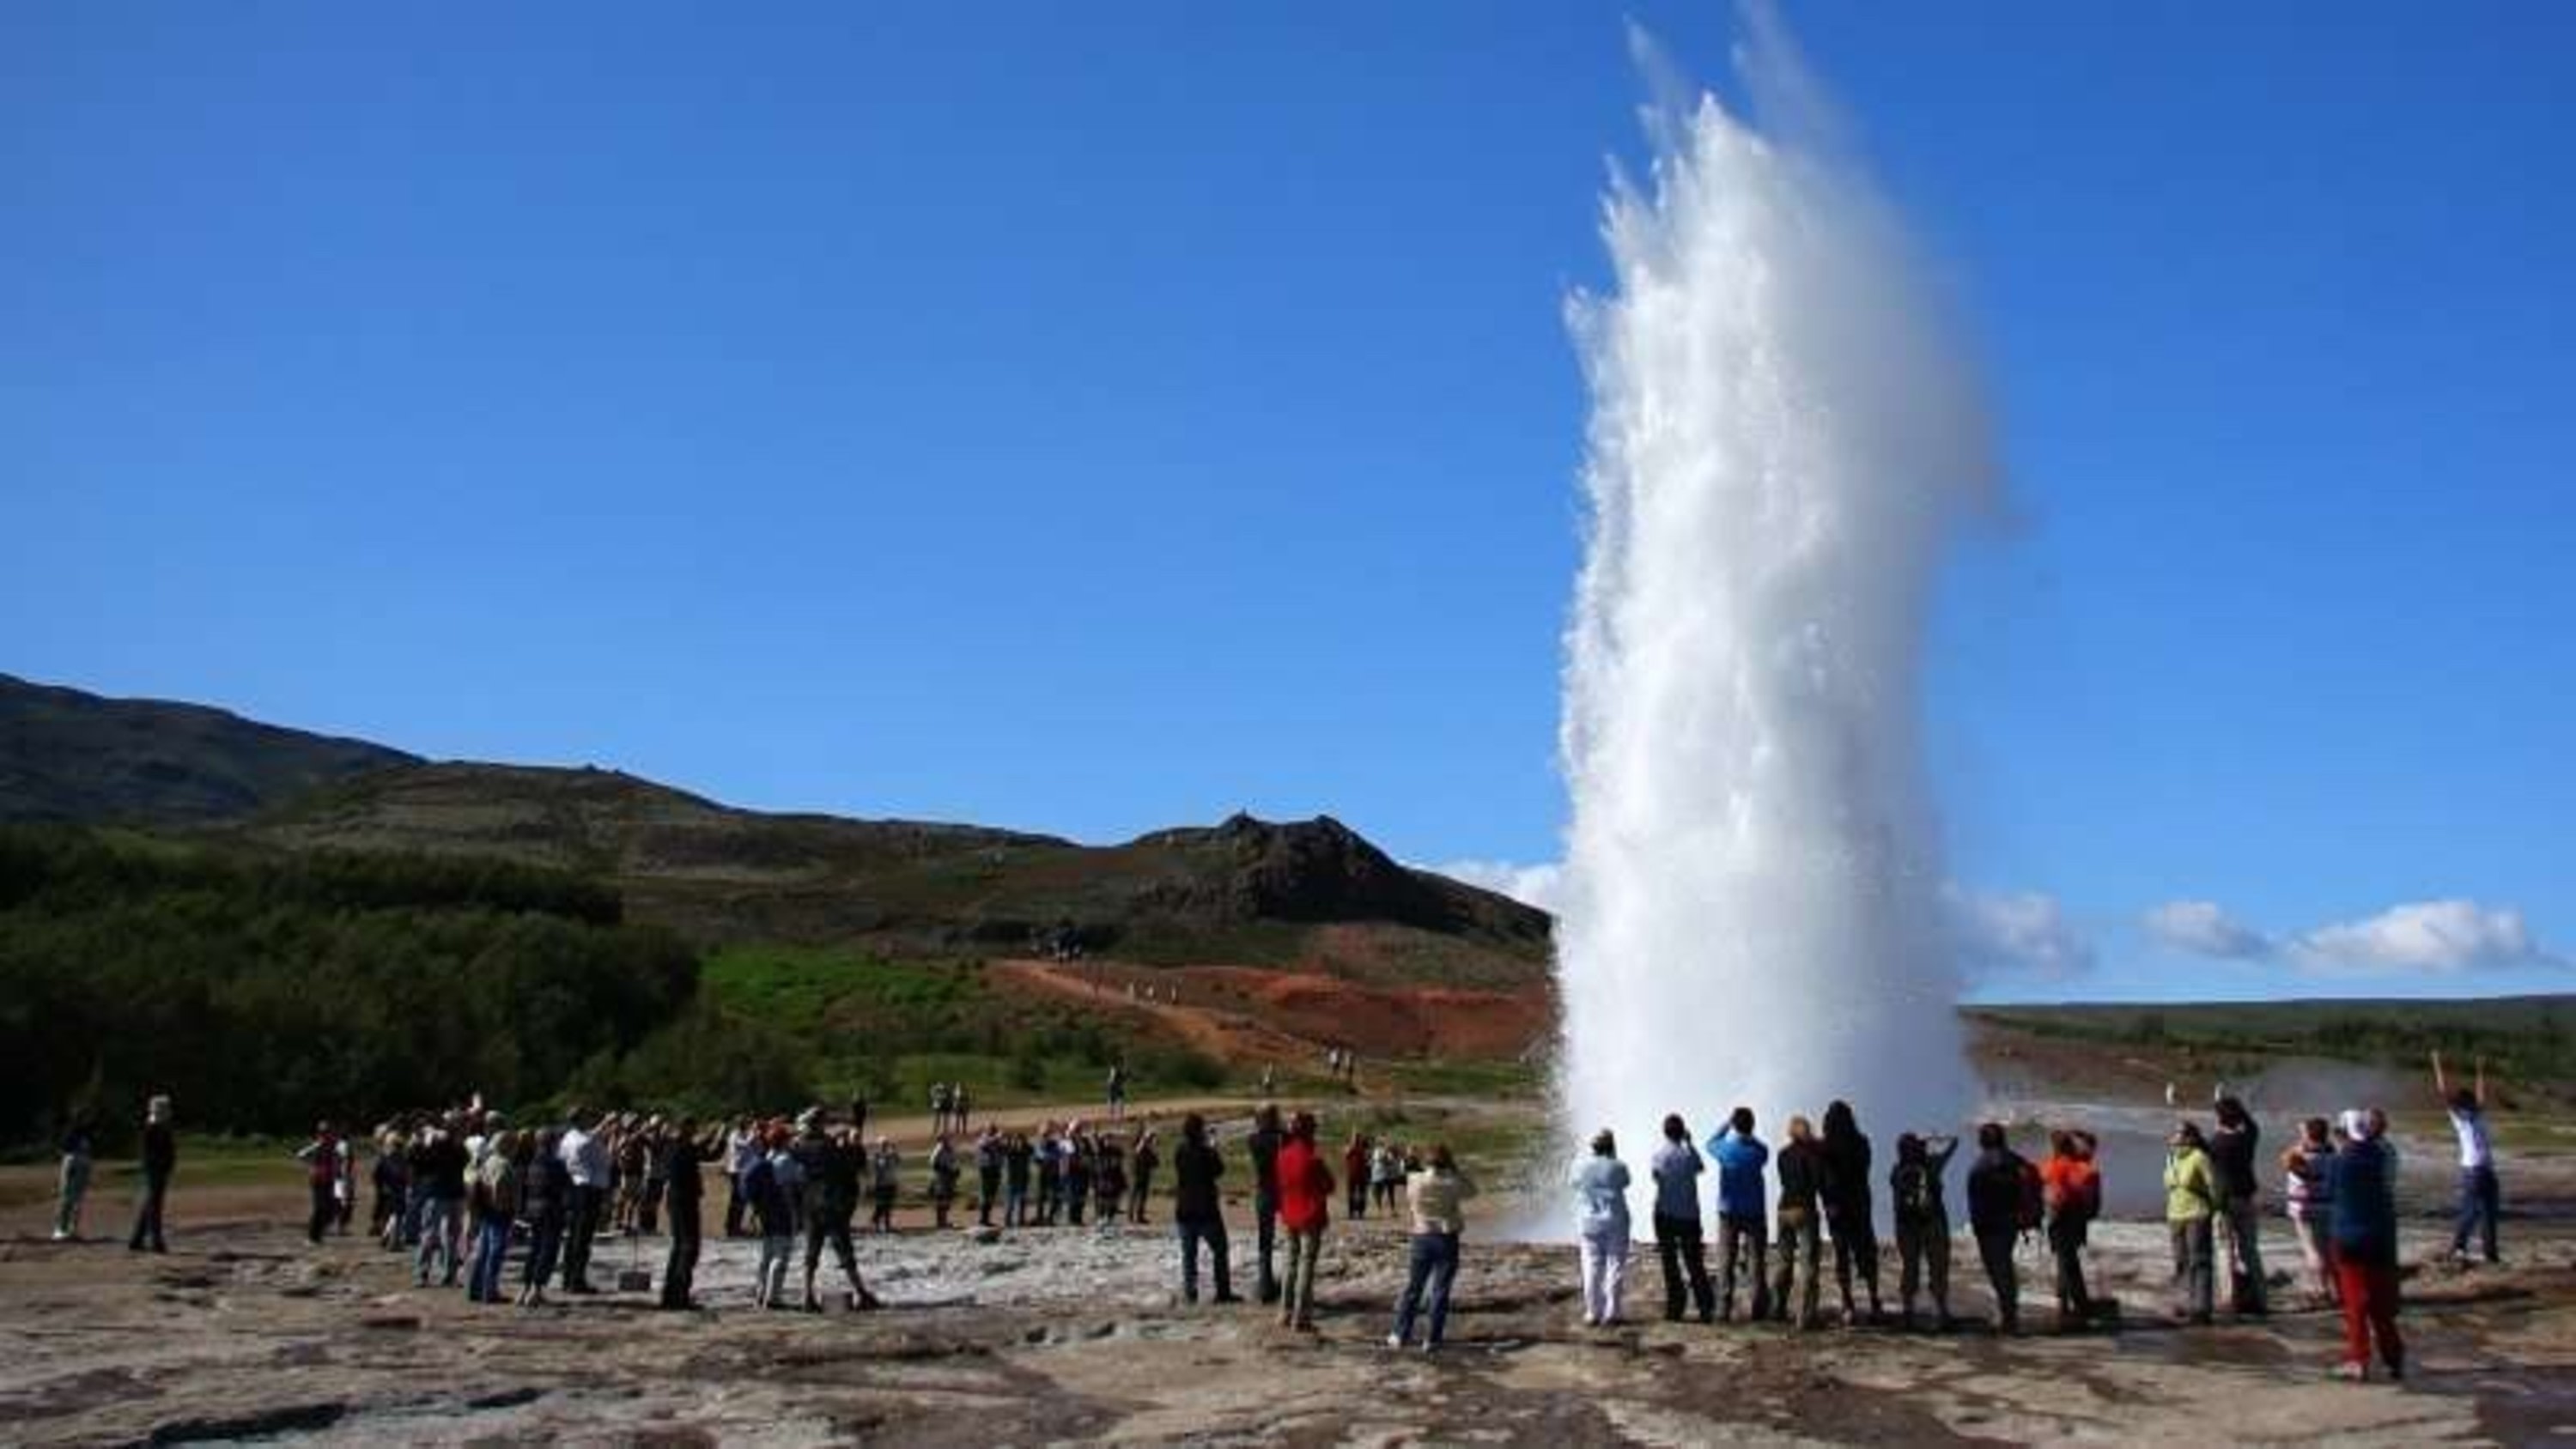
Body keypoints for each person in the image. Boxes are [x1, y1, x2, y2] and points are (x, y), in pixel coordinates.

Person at [2326, 1109, 2405, 1381]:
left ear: (2345, 1133)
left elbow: (2327, 1189)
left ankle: (2358, 1360)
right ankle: (2394, 1358)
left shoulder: (2340, 1162)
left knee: (2356, 1302)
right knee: (2381, 1303)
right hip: (2381, 1236)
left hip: (2350, 1238)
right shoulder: (2382, 1155)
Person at [1389, 1143, 1476, 1351]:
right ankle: (1432, 1339)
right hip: (1446, 1238)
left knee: (1413, 1288)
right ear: (1447, 1161)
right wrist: (1455, 1169)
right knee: (1440, 1291)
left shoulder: (1415, 1180)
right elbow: (1472, 1191)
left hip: (1421, 1236)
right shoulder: (1452, 1182)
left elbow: (1406, 1176)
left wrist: (1411, 1160)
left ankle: (1400, 1334)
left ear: (1426, 1161)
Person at [1964, 1122, 2035, 1335]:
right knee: (2004, 1265)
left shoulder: (1981, 1165)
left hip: (1989, 1224)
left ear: (1983, 1141)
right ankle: (2009, 1313)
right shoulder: (2016, 1160)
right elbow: (2031, 1179)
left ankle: (2009, 1318)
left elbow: (1976, 1200)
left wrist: (1976, 1228)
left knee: (1998, 1269)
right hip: (2011, 1222)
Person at [2433, 1050, 2501, 1266]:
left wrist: (2480, 1071)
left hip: (2486, 1170)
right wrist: (2437, 1063)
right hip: (2473, 1171)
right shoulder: (2460, 1118)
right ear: (2464, 1104)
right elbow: (2443, 1091)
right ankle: (2458, 1247)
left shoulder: (2478, 1114)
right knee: (2471, 1210)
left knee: (2489, 1213)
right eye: (2470, 1102)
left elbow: (2481, 1096)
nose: (2475, 1104)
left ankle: (2491, 1255)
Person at [1819, 1100, 1880, 1325]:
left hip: (1837, 1208)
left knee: (1842, 1254)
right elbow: (1864, 1170)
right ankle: (1874, 1299)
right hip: (1860, 1205)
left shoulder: (1824, 1147)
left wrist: (1828, 1202)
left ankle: (1848, 1303)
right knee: (1866, 1252)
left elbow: (1823, 1180)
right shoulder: (1862, 1143)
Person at [1649, 1113, 1715, 1324]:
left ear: (1664, 1132)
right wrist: (1690, 1143)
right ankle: (1705, 1307)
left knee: (1670, 1262)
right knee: (1694, 1261)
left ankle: (1675, 1307)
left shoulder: (1659, 1155)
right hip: (1689, 1215)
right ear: (1682, 1132)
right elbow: (1701, 1168)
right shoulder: (1689, 1155)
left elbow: (1656, 1178)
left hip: (1665, 1213)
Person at [1890, 1131, 1958, 1331]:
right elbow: (1955, 1143)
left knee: (1909, 1267)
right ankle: (1942, 1312)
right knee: (1938, 1267)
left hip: (1906, 1225)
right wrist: (1933, 1137)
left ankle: (1908, 1312)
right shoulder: (1932, 1164)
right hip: (1933, 1221)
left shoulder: (1896, 1170)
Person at [1707, 1107, 1771, 1322]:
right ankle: (1758, 1308)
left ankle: (1723, 1309)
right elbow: (1763, 1148)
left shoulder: (1725, 1150)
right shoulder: (1758, 1152)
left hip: (1729, 1211)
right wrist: (1749, 1135)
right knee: (1756, 1262)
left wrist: (1727, 1124)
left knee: (1726, 1261)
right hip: (1754, 1211)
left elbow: (1710, 1142)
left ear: (1735, 1126)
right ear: (1752, 1127)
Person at [1275, 1111, 1335, 1331]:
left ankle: (1284, 1311)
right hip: (1310, 1215)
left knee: (1290, 1261)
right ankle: (1301, 1316)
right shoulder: (1313, 1159)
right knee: (1306, 1264)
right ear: (1310, 1132)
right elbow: (1330, 1185)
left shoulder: (1282, 1155)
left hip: (1289, 1213)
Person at [2208, 1095, 2268, 1315]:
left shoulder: (2216, 1143)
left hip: (2224, 1203)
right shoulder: (2247, 1138)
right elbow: (2253, 1126)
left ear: (2219, 1119)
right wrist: (2240, 1110)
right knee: (2250, 1250)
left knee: (2225, 1250)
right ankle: (2261, 1298)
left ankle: (2229, 1298)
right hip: (2246, 1198)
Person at [1170, 1113, 1238, 1305]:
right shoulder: (1206, 1151)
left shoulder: (1179, 1151)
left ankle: (1190, 1293)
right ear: (1200, 1131)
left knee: (1189, 1254)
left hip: (1184, 1209)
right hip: (1206, 1209)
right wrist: (1213, 1147)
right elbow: (1219, 1170)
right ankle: (1223, 1292)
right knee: (1220, 1249)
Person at [1571, 1128, 1632, 1328]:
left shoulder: (1579, 1166)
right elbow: (1625, 1183)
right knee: (1615, 1265)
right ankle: (1612, 1312)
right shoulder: (1618, 1166)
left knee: (1591, 1266)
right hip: (1615, 1219)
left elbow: (1573, 1184)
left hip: (1588, 1221)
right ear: (1611, 1146)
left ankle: (1592, 1312)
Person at [2039, 1129, 2103, 1326]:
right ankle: (2070, 1303)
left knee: (2066, 1262)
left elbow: (2051, 1194)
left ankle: (2072, 1304)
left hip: (2059, 1218)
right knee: (2067, 1260)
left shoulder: (2049, 1166)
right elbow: (2090, 1200)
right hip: (2075, 1217)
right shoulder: (2083, 1168)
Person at [1772, 1115, 1827, 1331]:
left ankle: (1777, 1308)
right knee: (1808, 1264)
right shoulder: (1813, 1155)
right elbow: (1817, 1181)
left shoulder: (1782, 1154)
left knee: (1784, 1262)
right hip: (1805, 1209)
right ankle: (1805, 1316)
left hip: (1784, 1208)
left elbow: (1785, 1180)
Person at [2164, 1121, 2220, 1325]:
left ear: (2191, 1137)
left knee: (2199, 1261)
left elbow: (2213, 1186)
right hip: (2174, 1215)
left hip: (2198, 1214)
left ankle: (2201, 1308)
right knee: (2181, 1261)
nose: (2174, 1136)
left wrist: (2215, 1212)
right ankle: (2184, 1302)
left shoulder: (2199, 1157)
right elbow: (2170, 1187)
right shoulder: (2171, 1158)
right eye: (2174, 1132)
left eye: (2178, 1133)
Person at [2283, 1116, 2339, 1307]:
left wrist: (2302, 1140)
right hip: (2328, 1206)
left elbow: (2286, 1159)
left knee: (2312, 1250)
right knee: (2326, 1249)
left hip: (2306, 1209)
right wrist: (2308, 1137)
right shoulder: (2333, 1156)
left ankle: (2321, 1289)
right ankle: (2334, 1288)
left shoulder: (2300, 1158)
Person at [518, 1129, 571, 1307]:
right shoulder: (556, 1164)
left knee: (534, 1249)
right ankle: (536, 1290)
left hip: (533, 1208)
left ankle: (524, 1289)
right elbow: (565, 1188)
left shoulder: (532, 1161)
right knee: (547, 1251)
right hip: (551, 1209)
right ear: (552, 1144)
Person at [414, 1119, 470, 1288]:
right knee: (442, 1235)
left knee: (436, 1234)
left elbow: (421, 1163)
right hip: (446, 1192)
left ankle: (428, 1274)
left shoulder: (439, 1145)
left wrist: (427, 1142)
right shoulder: (454, 1147)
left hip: (442, 1192)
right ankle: (442, 1274)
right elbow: (422, 1162)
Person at [465, 1131, 519, 1304]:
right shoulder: (504, 1164)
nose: (516, 1148)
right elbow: (499, 1186)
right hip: (499, 1212)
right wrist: (506, 1209)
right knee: (495, 1252)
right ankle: (489, 1292)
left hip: (486, 1211)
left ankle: (474, 1289)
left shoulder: (488, 1161)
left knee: (483, 1251)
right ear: (507, 1145)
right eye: (513, 1144)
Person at [749, 1127, 799, 1310]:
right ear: (784, 1141)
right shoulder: (785, 1160)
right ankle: (773, 1298)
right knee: (781, 1255)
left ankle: (760, 1294)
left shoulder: (766, 1157)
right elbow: (790, 1186)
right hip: (781, 1210)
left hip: (765, 1211)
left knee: (767, 1254)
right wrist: (793, 1212)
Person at [559, 1111, 609, 1294]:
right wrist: (604, 1123)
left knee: (575, 1237)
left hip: (578, 1187)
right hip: (586, 1188)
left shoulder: (569, 1138)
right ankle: (575, 1280)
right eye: (587, 1117)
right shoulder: (581, 1140)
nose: (590, 1120)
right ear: (580, 1120)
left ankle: (569, 1278)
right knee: (581, 1238)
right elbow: (590, 1149)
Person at [660, 1119, 705, 1310]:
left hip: (675, 1199)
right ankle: (680, 1294)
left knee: (678, 1246)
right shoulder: (685, 1148)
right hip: (685, 1200)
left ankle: (670, 1294)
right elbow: (706, 1154)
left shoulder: (670, 1147)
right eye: (692, 1128)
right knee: (689, 1247)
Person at [128, 1094, 176, 1254]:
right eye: (166, 1108)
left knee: (150, 1204)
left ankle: (137, 1239)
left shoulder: (162, 1126)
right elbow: (148, 1153)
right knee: (155, 1206)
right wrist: (159, 1167)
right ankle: (156, 1241)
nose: (169, 1111)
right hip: (154, 1170)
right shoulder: (152, 1127)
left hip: (159, 1170)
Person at [1248, 1105, 1285, 1304]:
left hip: (1263, 1191)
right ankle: (1287, 1285)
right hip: (1283, 1190)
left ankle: (1265, 1286)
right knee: (1292, 1238)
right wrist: (1281, 1126)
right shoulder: (1281, 1138)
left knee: (1265, 1241)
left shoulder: (1253, 1139)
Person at [295, 1121, 343, 1247]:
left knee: (331, 1208)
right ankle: (312, 1237)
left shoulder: (334, 1145)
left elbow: (338, 1160)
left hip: (331, 1180)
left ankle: (318, 1235)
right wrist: (311, 1167)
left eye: (327, 1132)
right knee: (319, 1208)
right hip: (318, 1181)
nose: (325, 1135)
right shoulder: (318, 1145)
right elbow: (300, 1155)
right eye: (323, 1133)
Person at [53, 1113, 95, 1241]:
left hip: (81, 1161)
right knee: (68, 1197)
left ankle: (70, 1229)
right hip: (76, 1160)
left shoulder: (84, 1132)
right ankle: (62, 1229)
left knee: (76, 1198)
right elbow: (65, 1148)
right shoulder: (74, 1132)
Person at [725, 1119, 760, 1238]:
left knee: (742, 1201)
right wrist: (753, 1133)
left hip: (745, 1171)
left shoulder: (745, 1135)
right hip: (736, 1171)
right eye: (745, 1124)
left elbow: (755, 1149)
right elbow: (745, 1144)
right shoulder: (734, 1135)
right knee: (737, 1201)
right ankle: (731, 1227)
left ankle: (737, 1226)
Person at [868, 1137, 902, 1233]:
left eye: (886, 1144)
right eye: (882, 1144)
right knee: (880, 1206)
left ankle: (887, 1225)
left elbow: (898, 1161)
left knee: (889, 1206)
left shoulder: (891, 1155)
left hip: (891, 1183)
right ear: (879, 1145)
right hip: (881, 1185)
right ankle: (876, 1224)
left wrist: (895, 1151)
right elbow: (879, 1167)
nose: (884, 1146)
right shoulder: (877, 1156)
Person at [930, 1133, 963, 1229]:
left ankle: (944, 1221)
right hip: (941, 1178)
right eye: (945, 1139)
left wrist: (956, 1171)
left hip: (949, 1177)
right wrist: (944, 1170)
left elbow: (954, 1161)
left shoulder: (950, 1148)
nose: (947, 1140)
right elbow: (933, 1162)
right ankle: (941, 1223)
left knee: (947, 1199)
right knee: (941, 1199)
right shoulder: (939, 1148)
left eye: (947, 1139)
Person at [975, 1126, 1006, 1228]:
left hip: (995, 1169)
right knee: (985, 1194)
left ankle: (986, 1219)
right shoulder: (982, 1139)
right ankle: (982, 1219)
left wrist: (1001, 1142)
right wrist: (996, 1138)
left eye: (994, 1130)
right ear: (986, 1131)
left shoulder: (997, 1141)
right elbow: (984, 1145)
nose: (993, 1132)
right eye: (991, 1130)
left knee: (991, 1195)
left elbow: (1003, 1150)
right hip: (985, 1170)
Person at [1004, 1131, 1034, 1228]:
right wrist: (1010, 1142)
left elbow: (1031, 1149)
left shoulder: (1026, 1150)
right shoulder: (1011, 1151)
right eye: (1018, 1140)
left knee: (1022, 1201)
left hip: (1023, 1178)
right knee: (1011, 1201)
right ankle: (1008, 1221)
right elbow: (1006, 1150)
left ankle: (1020, 1220)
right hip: (1012, 1179)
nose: (1020, 1142)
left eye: (1021, 1140)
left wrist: (1024, 1143)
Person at [1129, 1129, 1159, 1222]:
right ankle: (1131, 1216)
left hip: (1145, 1176)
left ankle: (1139, 1216)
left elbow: (1156, 1164)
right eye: (1149, 1139)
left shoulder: (1149, 1151)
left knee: (1142, 1197)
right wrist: (1145, 1139)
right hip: (1136, 1175)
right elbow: (1137, 1151)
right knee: (1134, 1196)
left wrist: (1154, 1150)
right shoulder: (1139, 1148)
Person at [1343, 1132, 1372, 1220]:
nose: (1357, 1140)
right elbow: (1346, 1153)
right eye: (1357, 1138)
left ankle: (1361, 1212)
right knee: (1351, 1194)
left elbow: (1368, 1158)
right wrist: (1352, 1143)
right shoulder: (1349, 1148)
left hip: (1362, 1175)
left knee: (1362, 1195)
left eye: (1358, 1138)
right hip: (1352, 1175)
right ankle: (1351, 1212)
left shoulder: (1364, 1149)